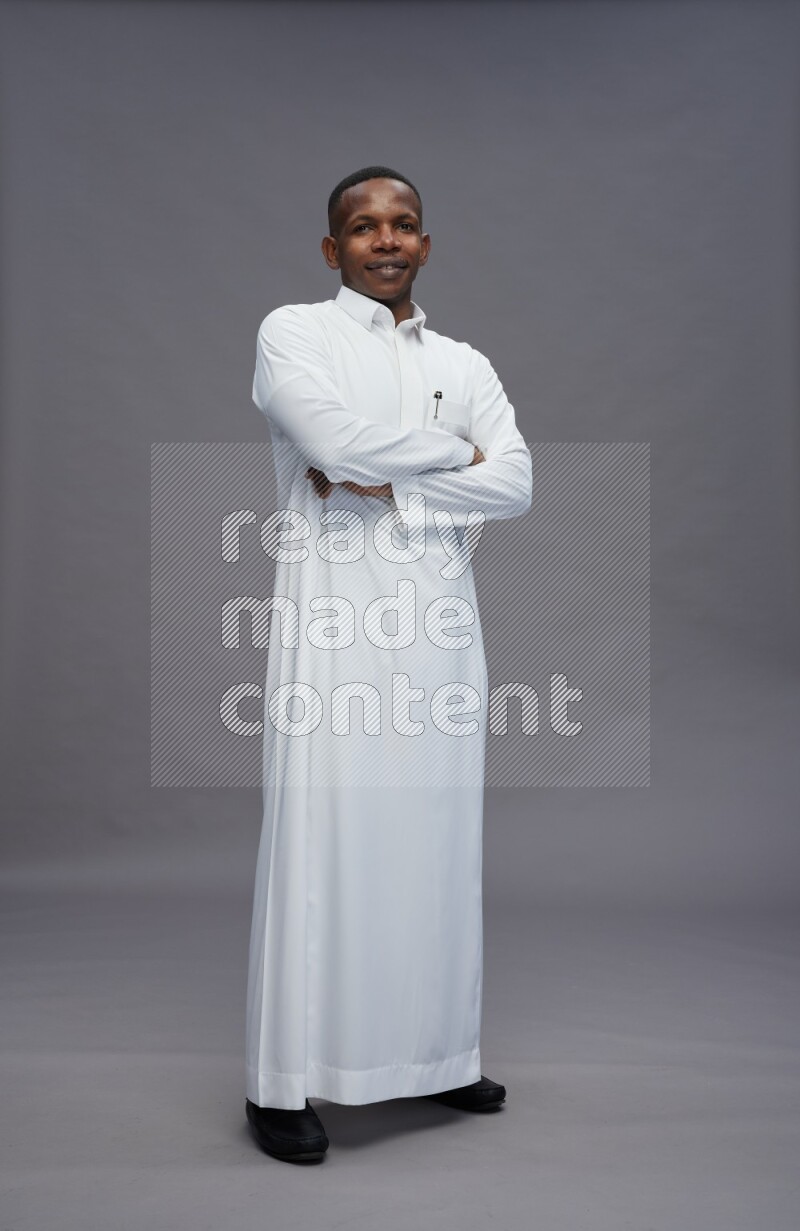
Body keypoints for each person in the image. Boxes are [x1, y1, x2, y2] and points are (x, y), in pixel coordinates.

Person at [245, 165, 532, 1163]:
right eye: (361, 227)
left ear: (424, 243)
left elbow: (519, 484)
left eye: (402, 224)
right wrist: (457, 456)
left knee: (438, 842)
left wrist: (399, 487)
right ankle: (280, 1083)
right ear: (332, 250)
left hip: (442, 631)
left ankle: (437, 1055)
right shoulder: (295, 334)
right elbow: (326, 435)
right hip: (333, 628)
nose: (383, 239)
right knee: (324, 843)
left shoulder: (465, 358)